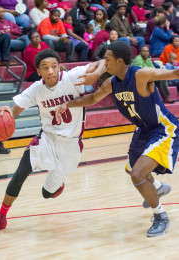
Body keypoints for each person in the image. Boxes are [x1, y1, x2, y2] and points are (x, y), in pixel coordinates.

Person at [56, 41, 179, 237]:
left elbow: (174, 74)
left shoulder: (141, 74)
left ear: (120, 61)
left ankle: (161, 216)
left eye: (107, 59)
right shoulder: (111, 83)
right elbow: (93, 98)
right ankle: (157, 187)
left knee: (137, 174)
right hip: (143, 129)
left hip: (162, 128)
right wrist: (69, 104)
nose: (104, 62)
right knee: (133, 169)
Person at [0, 48, 105, 234]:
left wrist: (95, 74)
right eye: (45, 68)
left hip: (71, 145)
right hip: (46, 138)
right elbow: (14, 111)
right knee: (21, 172)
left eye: (53, 67)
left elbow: (104, 62)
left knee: (47, 194)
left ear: (59, 67)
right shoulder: (37, 89)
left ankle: (57, 183)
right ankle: (1, 216)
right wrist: (7, 113)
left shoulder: (72, 77)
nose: (50, 71)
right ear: (38, 71)